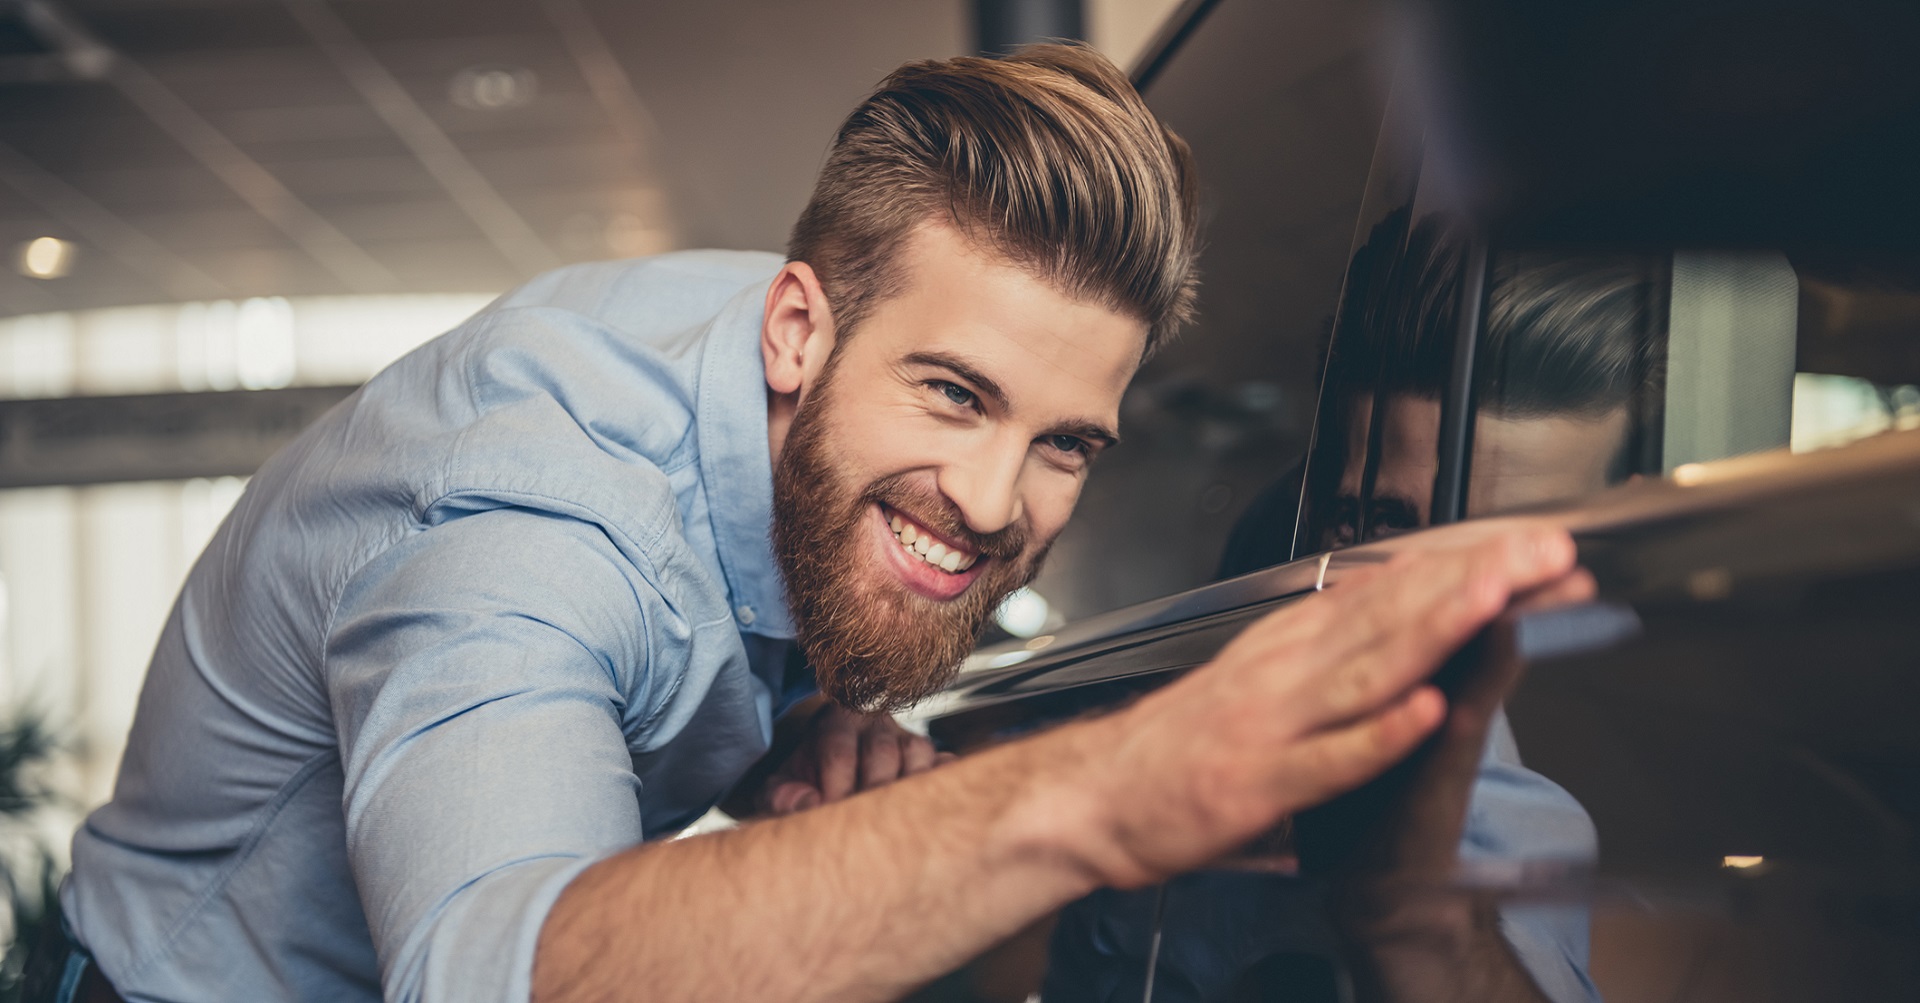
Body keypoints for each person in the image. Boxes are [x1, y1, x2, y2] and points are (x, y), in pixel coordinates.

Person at [44, 46, 1580, 1003]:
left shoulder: (826, 350)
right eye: (954, 395)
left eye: (1066, 444)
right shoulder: (529, 514)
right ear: (798, 329)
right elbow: (491, 976)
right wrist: (1102, 789)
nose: (991, 504)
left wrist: (795, 722)